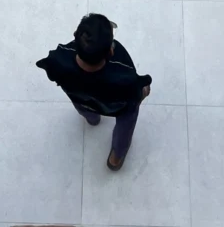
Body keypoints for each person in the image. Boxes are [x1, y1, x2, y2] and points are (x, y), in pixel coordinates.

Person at [36, 13, 152, 171]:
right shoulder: (122, 71)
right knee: (127, 119)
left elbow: (48, 67)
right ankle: (116, 158)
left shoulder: (59, 59)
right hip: (114, 107)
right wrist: (144, 91)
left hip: (81, 100)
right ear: (110, 52)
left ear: (75, 37)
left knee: (86, 108)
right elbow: (137, 91)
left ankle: (92, 119)